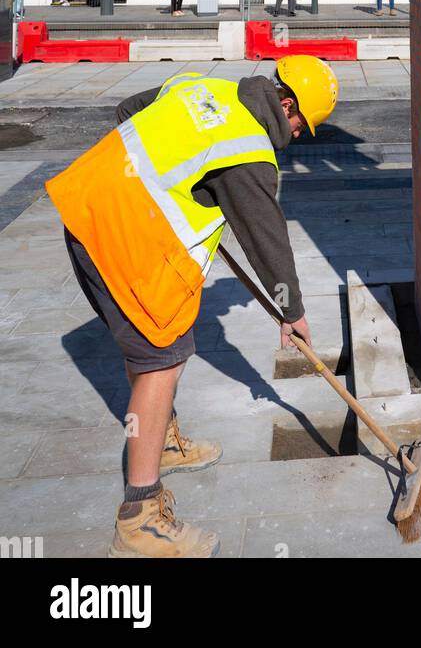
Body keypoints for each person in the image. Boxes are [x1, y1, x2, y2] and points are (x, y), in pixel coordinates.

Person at [45, 54, 339, 558]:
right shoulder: (250, 152)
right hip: (124, 242)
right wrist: (291, 314)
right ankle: (140, 521)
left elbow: (126, 111)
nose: (297, 135)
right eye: (300, 124)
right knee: (165, 358)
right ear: (285, 103)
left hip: (84, 207)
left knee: (150, 340)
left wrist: (185, 182)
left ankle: (159, 438)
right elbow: (267, 241)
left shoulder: (198, 85)